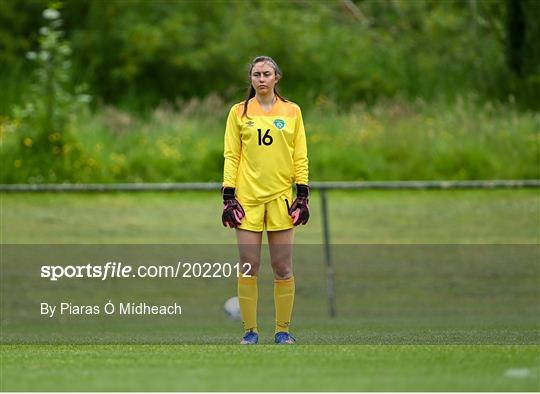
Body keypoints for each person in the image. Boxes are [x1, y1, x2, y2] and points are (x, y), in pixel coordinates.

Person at [221, 55, 309, 345]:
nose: (261, 78)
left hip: (282, 198)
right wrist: (228, 195)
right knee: (249, 266)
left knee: (283, 267)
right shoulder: (238, 112)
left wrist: (303, 194)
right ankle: (250, 332)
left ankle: (282, 331)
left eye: (266, 73)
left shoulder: (292, 111)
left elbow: (300, 156)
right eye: (256, 74)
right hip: (247, 201)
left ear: (276, 77)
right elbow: (232, 155)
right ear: (251, 79)